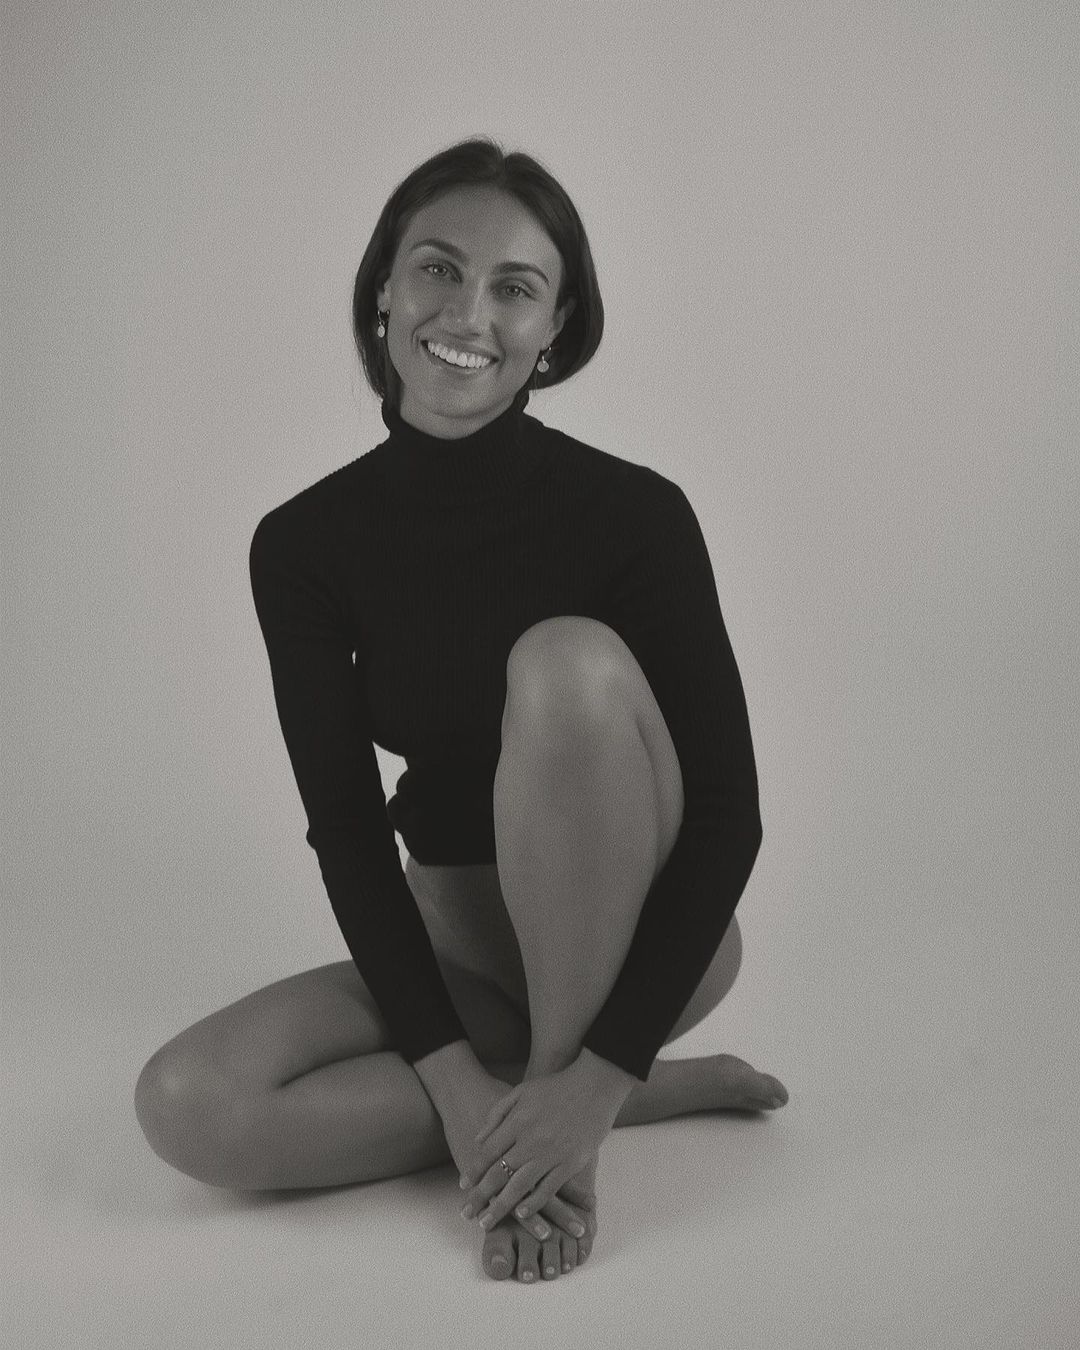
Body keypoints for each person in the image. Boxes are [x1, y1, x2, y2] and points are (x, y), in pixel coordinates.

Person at [133, 135, 788, 1285]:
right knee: (189, 1105)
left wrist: (596, 1069)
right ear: (384, 287)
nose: (468, 313)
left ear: (554, 327)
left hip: (648, 949)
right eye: (438, 268)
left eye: (514, 288)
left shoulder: (638, 516)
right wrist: (448, 1075)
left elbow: (730, 815)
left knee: (564, 663)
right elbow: (347, 829)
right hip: (460, 956)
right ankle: (588, 1097)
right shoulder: (303, 545)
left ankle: (575, 1113)